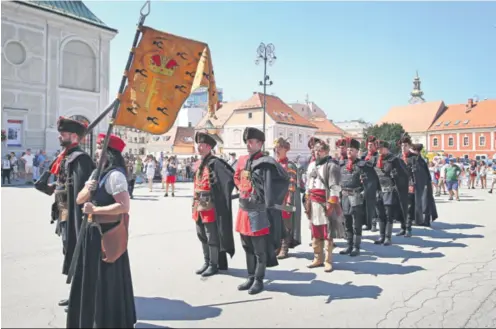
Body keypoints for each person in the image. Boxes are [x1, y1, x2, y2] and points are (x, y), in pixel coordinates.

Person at [67, 133, 136, 328]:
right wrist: (88, 189)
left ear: (110, 153)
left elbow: (124, 206)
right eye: (97, 148)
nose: (97, 153)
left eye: (100, 149)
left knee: (107, 279)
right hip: (91, 232)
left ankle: (109, 320)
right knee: (91, 276)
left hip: (107, 233)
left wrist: (95, 209)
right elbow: (79, 199)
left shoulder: (115, 176)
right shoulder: (95, 174)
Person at [42, 117, 94, 311]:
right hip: (64, 212)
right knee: (69, 251)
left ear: (74, 136)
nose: (59, 136)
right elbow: (65, 184)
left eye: (63, 134)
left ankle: (82, 297)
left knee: (78, 253)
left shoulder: (80, 159)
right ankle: (76, 292)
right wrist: (52, 188)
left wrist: (77, 218)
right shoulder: (66, 156)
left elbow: (81, 191)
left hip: (75, 215)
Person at [234, 127, 288, 295]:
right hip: (243, 210)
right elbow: (240, 179)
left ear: (260, 143)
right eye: (247, 142)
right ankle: (250, 276)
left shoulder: (266, 163)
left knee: (259, 249)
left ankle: (258, 279)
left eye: (251, 142)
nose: (248, 145)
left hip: (258, 211)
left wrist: (268, 202)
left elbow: (279, 183)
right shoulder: (245, 161)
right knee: (247, 246)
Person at [192, 132, 236, 277]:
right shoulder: (200, 163)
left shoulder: (215, 163)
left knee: (212, 236)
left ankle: (214, 264)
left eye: (202, 145)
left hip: (210, 206)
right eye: (198, 144)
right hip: (198, 205)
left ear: (209, 147)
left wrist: (219, 191)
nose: (199, 147)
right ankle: (207, 261)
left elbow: (230, 177)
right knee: (201, 235)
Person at [304, 140, 344, 272]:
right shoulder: (311, 165)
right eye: (315, 150)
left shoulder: (332, 166)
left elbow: (335, 187)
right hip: (313, 201)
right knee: (315, 231)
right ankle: (317, 258)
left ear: (326, 151)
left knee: (327, 232)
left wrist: (331, 204)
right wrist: (307, 199)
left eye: (319, 150)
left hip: (325, 202)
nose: (316, 152)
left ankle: (328, 261)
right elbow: (307, 184)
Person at [338, 138, 379, 256]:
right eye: (348, 149)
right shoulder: (342, 164)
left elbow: (371, 183)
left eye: (352, 150)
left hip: (356, 197)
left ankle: (356, 246)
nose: (349, 151)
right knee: (347, 222)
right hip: (345, 197)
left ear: (357, 152)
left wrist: (364, 191)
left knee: (357, 223)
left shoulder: (363, 166)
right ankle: (349, 245)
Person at [396, 135, 437, 236]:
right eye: (402, 145)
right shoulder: (397, 158)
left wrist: (413, 183)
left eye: (405, 145)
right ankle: (402, 227)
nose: (403, 147)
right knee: (401, 208)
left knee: (409, 208)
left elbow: (420, 174)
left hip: (410, 187)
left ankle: (408, 228)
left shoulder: (415, 158)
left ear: (409, 146)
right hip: (399, 187)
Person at [372, 140, 409, 246]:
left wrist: (396, 176)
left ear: (387, 149)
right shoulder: (374, 159)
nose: (379, 150)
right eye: (378, 149)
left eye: (381, 148)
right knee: (380, 215)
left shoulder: (394, 160)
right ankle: (381, 236)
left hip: (389, 190)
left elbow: (405, 174)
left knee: (389, 215)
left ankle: (388, 237)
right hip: (378, 191)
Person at [273, 137, 302, 259]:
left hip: (286, 198)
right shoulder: (275, 163)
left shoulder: (289, 165)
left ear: (285, 149)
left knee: (286, 224)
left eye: (279, 148)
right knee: (277, 224)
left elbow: (292, 184)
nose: (276, 150)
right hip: (276, 198)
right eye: (275, 148)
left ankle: (285, 248)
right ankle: (278, 246)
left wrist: (289, 200)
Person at [361, 135, 379, 231]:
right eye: (368, 144)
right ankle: (366, 223)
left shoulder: (377, 155)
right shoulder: (363, 155)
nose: (369, 146)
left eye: (371, 145)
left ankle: (373, 223)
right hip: (363, 181)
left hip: (373, 181)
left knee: (372, 203)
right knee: (364, 203)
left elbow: (375, 167)